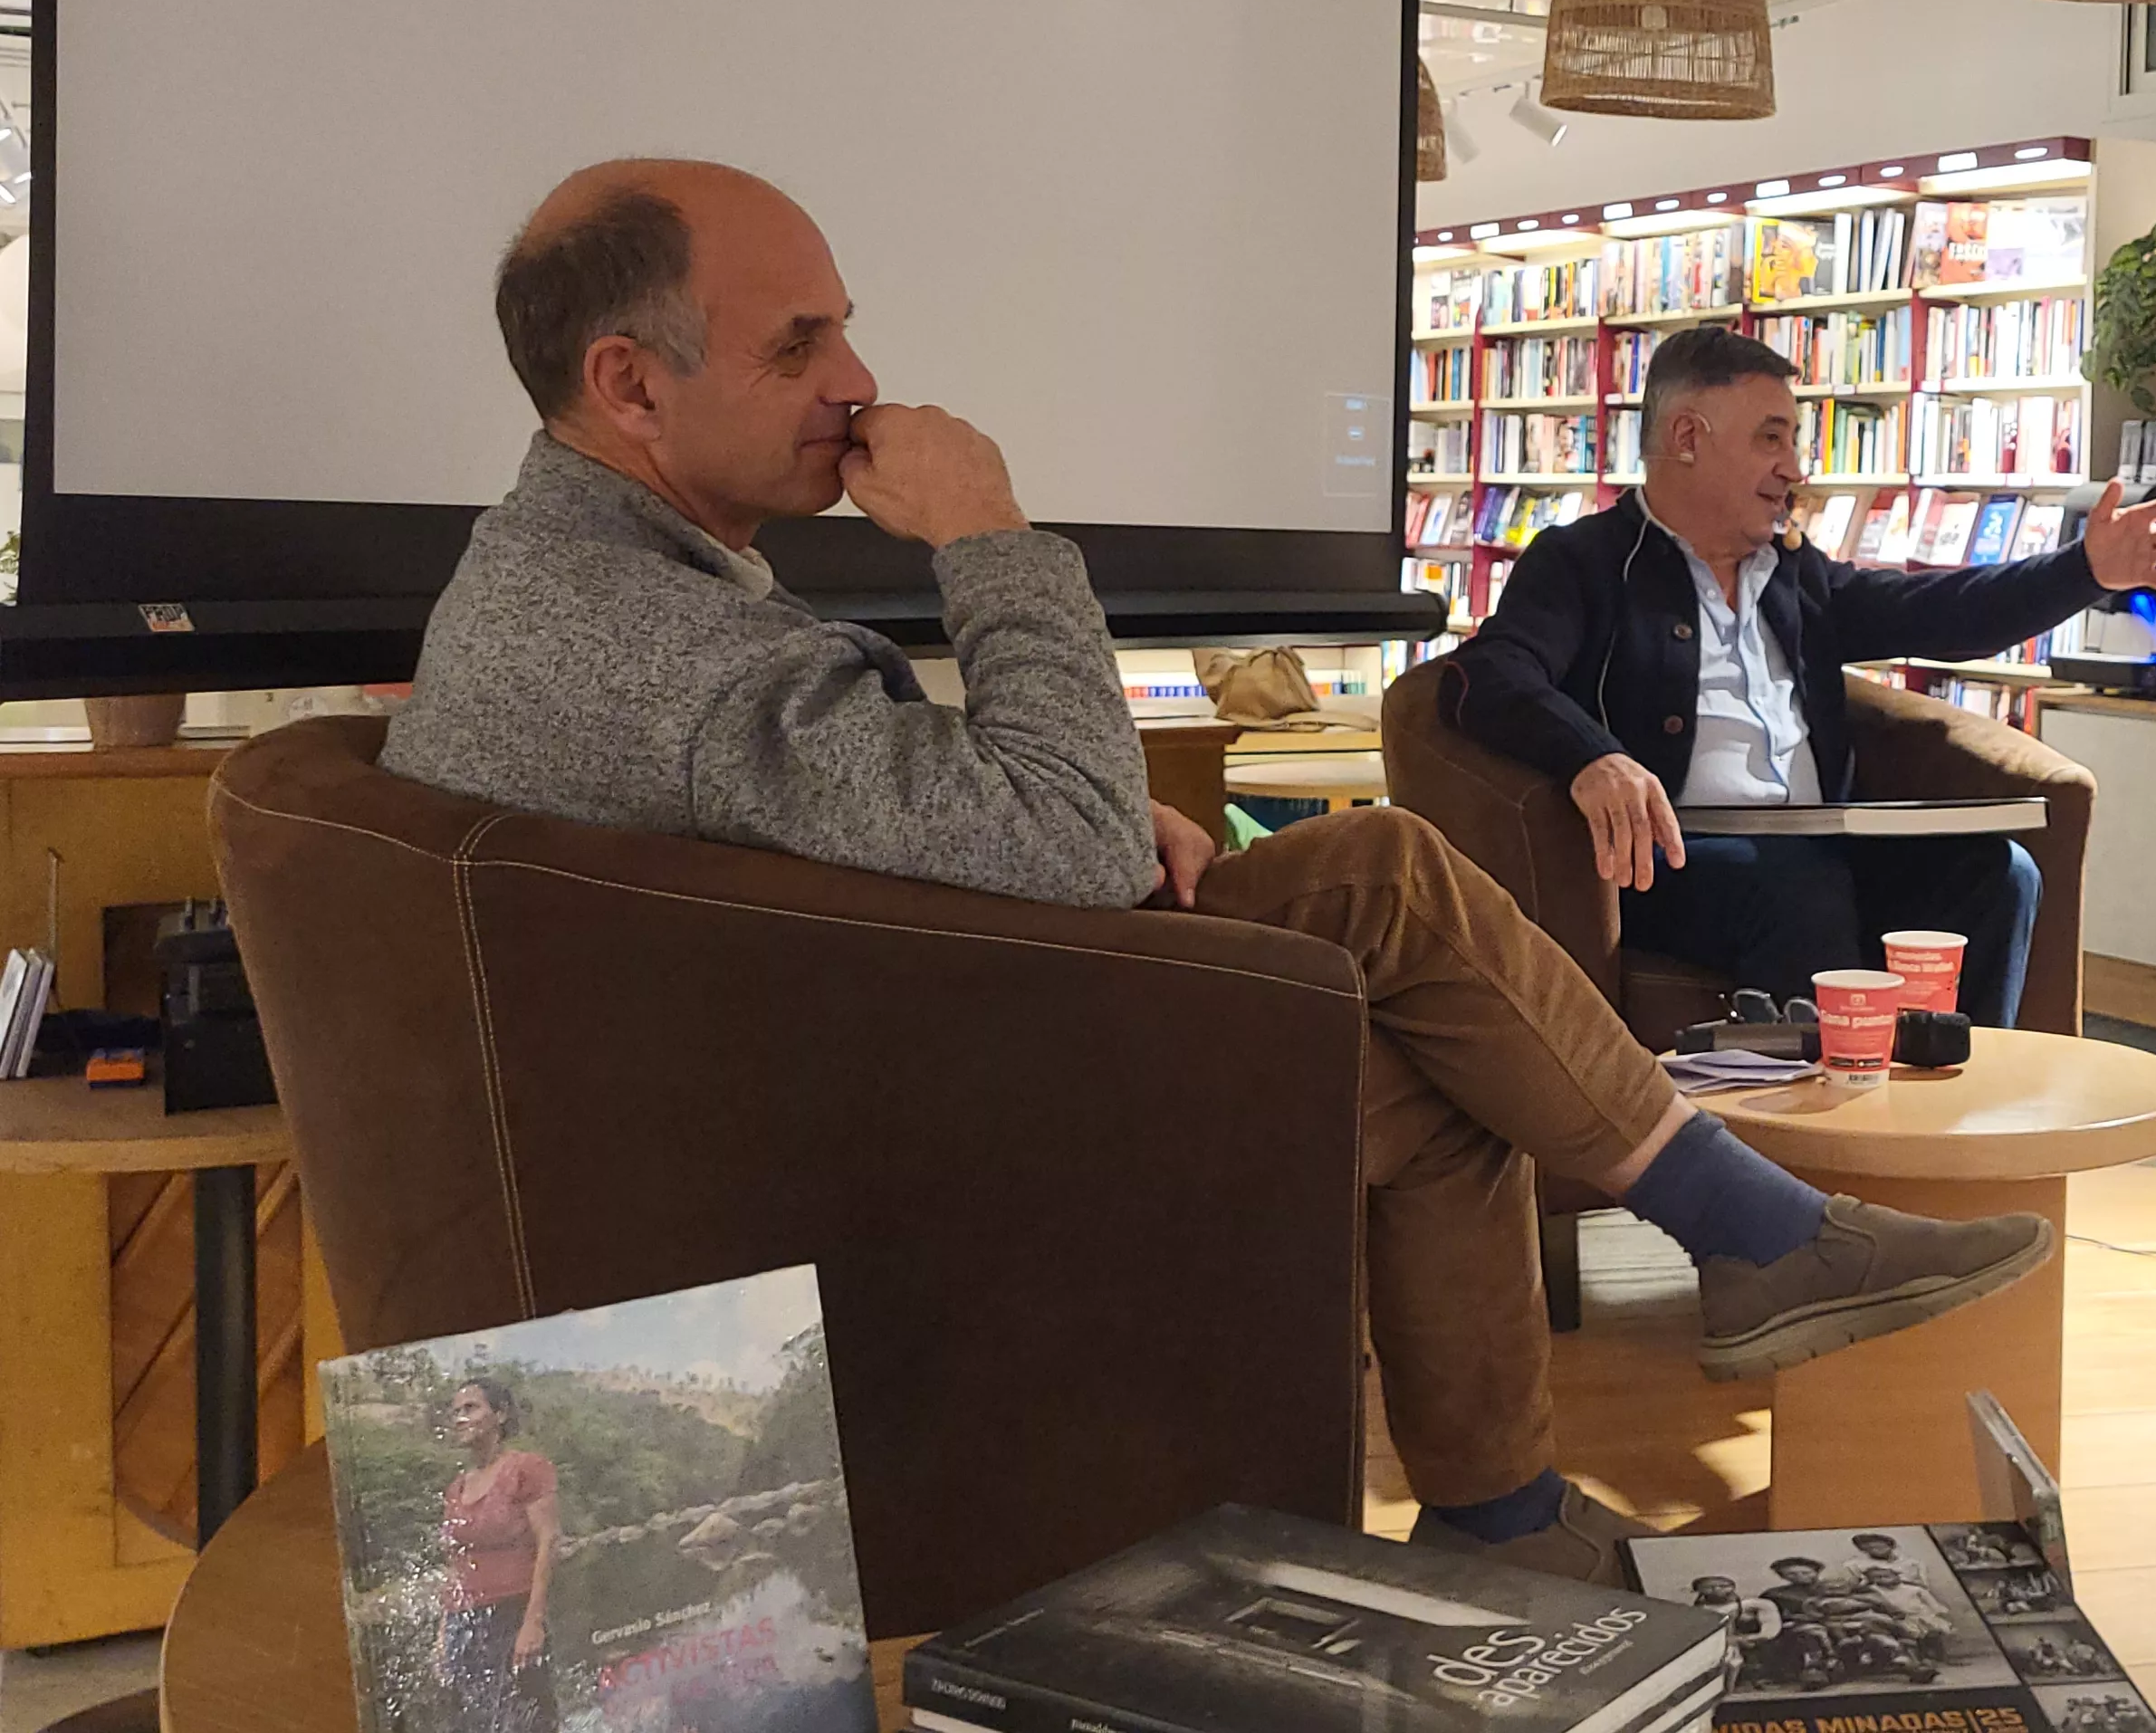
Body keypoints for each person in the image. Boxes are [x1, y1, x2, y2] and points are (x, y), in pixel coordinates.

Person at [381, 161, 2052, 1586]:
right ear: (628, 383)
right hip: (871, 1132)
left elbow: (852, 814)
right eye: (799, 341)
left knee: (1443, 1036)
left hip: (853, 1041)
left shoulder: (577, 583)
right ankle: (1710, 1276)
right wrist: (992, 544)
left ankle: (1541, 1478)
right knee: (1392, 882)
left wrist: (1089, 818)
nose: (856, 376)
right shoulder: (652, 642)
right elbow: (1033, 831)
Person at [1443, 328, 2156, 1026]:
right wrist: (1592, 757)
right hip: (1673, 863)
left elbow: (1942, 613)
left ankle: (1957, 1125)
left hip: (1815, 846)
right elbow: (1490, 671)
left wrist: (2085, 571)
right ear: (1686, 438)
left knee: (1997, 876)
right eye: (1771, 439)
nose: (1794, 469)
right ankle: (1819, 1140)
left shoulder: (1795, 576)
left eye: (1795, 441)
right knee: (1800, 887)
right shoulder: (1584, 562)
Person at [435, 1377, 559, 1733]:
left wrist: (533, 1622)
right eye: (455, 1411)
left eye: (470, 1408)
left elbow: (549, 1542)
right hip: (464, 1625)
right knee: (470, 1724)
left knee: (530, 1722)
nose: (460, 1418)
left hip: (512, 1613)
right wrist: (443, 1637)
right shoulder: (456, 1488)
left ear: (500, 1414)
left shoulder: (527, 1468)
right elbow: (455, 1564)